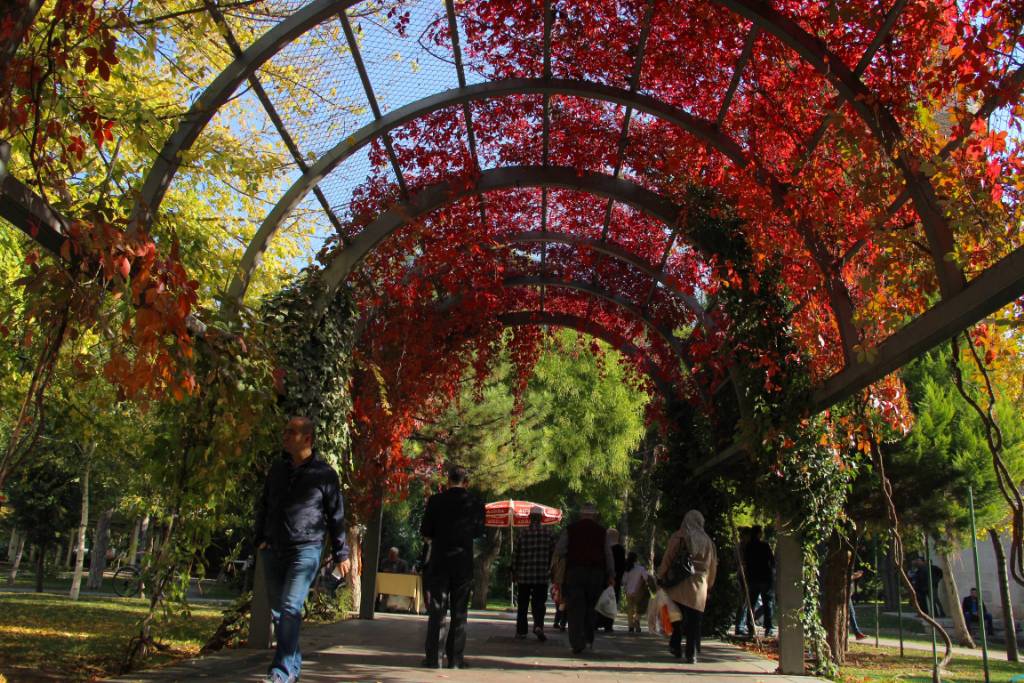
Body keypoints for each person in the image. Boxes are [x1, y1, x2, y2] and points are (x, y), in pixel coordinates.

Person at [254, 416, 350, 683]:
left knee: (290, 607)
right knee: (279, 612)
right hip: (273, 547)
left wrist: (342, 553)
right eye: (285, 431)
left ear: (306, 439)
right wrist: (259, 538)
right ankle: (292, 667)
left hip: (306, 550)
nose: (284, 436)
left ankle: (281, 673)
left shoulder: (325, 474)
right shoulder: (277, 469)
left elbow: (336, 516)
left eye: (291, 432)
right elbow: (264, 504)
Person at [420, 465, 485, 669]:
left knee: (437, 610)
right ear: (466, 482)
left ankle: (434, 658)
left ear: (448, 480)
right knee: (460, 612)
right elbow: (478, 531)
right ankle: (455, 659)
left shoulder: (436, 501)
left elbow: (426, 530)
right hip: (463, 562)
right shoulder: (475, 503)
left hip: (440, 561)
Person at [657, 510, 717, 664]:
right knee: (694, 622)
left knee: (676, 617)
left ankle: (675, 644)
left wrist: (661, 575)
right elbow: (712, 565)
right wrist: (709, 585)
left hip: (679, 583)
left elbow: (668, 557)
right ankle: (692, 653)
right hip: (699, 584)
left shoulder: (679, 536)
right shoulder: (707, 541)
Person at [554, 502, 615, 654]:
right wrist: (611, 574)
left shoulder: (570, 529)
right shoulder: (602, 532)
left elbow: (559, 549)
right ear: (594, 515)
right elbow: (608, 554)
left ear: (581, 514)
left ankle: (576, 642)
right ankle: (588, 639)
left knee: (575, 608)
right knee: (591, 607)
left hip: (574, 572)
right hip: (596, 574)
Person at [513, 506, 555, 641]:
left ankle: (521, 631)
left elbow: (516, 555)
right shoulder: (548, 533)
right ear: (542, 518)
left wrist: (514, 571)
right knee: (539, 603)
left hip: (524, 575)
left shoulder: (522, 533)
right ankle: (538, 625)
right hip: (541, 575)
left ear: (529, 517)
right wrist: (551, 571)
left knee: (523, 604)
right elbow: (553, 555)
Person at [743, 524, 774, 637]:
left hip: (753, 578)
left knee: (751, 603)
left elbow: (745, 561)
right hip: (765, 577)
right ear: (759, 533)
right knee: (767, 603)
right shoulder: (765, 546)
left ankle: (750, 627)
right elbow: (772, 560)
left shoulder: (748, 547)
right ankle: (768, 627)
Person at [596, 528, 626, 632]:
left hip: (603, 579)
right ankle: (608, 624)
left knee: (600, 600)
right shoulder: (620, 549)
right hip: (615, 580)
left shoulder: (604, 548)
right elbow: (622, 566)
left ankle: (597, 622)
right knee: (612, 601)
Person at [622, 551, 655, 633]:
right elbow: (646, 578)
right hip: (638, 592)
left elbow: (624, 581)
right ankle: (637, 621)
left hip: (628, 592)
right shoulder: (640, 568)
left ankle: (630, 626)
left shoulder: (627, 569)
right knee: (639, 609)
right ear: (636, 559)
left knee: (630, 609)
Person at [849, 569, 867, 640]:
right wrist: (855, 575)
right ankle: (857, 633)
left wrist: (855, 575)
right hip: (845, 596)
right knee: (852, 613)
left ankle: (857, 633)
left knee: (852, 613)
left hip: (848, 596)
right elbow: (848, 577)